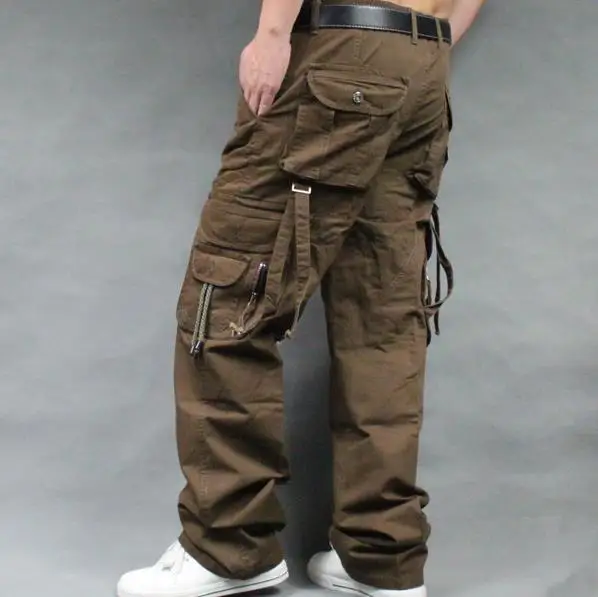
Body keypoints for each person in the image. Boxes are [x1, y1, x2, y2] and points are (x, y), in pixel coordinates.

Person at [116, 1, 485, 596]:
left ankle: (230, 548)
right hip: (425, 62)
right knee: (382, 322)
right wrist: (423, 44)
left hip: (343, 53)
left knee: (231, 295)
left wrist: (272, 32)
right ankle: (380, 555)